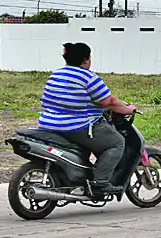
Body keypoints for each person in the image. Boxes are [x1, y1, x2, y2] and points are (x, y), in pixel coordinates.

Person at [38, 42, 136, 198]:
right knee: (116, 142)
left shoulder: (56, 74)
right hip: (77, 126)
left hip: (48, 124)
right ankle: (101, 183)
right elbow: (108, 101)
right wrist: (129, 109)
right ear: (85, 60)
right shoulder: (87, 77)